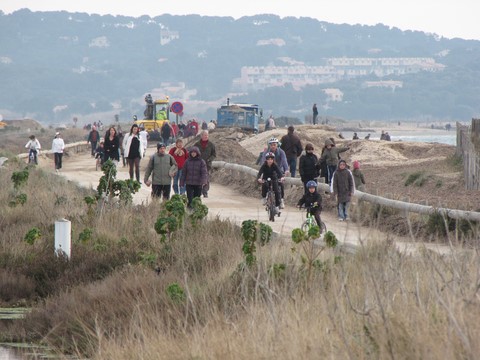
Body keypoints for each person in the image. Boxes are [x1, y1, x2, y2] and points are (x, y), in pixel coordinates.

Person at [260, 137, 289, 208]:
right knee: (265, 183)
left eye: (274, 144)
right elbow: (263, 160)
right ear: (269, 145)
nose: (273, 146)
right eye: (271, 145)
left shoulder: (281, 152)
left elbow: (284, 161)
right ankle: (265, 196)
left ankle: (281, 200)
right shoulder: (266, 152)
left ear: (277, 145)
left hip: (279, 170)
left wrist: (286, 170)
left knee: (280, 184)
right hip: (268, 170)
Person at [194, 130, 216, 198]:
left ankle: (205, 191)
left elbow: (214, 154)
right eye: (205, 135)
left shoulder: (211, 145)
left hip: (207, 164)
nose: (206, 136)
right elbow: (193, 153)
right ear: (201, 136)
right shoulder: (197, 144)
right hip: (198, 164)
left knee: (206, 178)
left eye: (207, 135)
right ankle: (199, 191)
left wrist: (210, 159)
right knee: (199, 178)